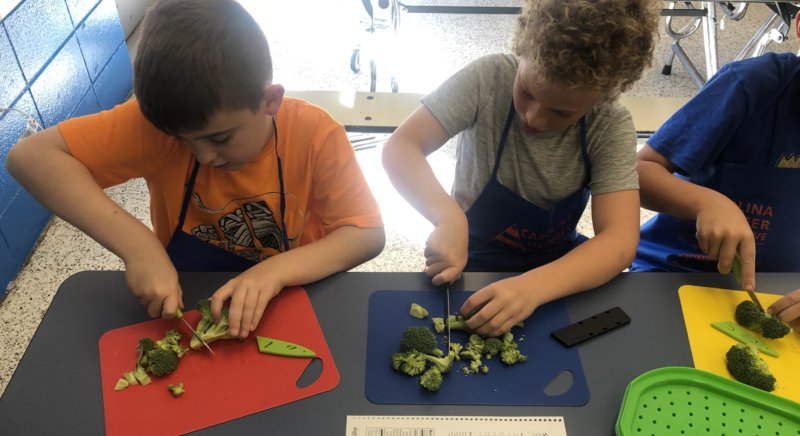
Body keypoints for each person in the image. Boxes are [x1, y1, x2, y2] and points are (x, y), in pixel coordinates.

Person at [5, 0, 385, 338]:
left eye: (219, 140)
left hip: (298, 292)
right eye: (183, 140)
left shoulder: (316, 135)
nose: (203, 156)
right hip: (191, 295)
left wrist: (275, 272)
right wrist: (139, 248)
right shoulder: (158, 125)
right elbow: (28, 158)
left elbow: (366, 234)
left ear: (270, 100)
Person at [382, 0, 657, 337]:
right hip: (474, 252)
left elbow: (619, 241)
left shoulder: (609, 124)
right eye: (526, 92)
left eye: (561, 113)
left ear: (603, 96)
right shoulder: (488, 79)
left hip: (559, 263)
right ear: (522, 49)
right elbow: (401, 148)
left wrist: (531, 288)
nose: (534, 118)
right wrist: (448, 218)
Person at [631, 11, 800, 323]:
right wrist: (706, 202)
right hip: (675, 270)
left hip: (782, 289)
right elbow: (638, 172)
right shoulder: (751, 85)